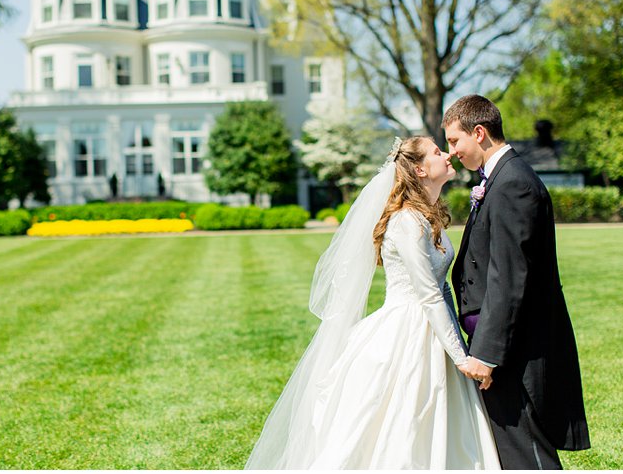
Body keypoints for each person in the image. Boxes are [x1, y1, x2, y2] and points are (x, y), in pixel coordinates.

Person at [245, 136, 501, 469]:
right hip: (408, 329)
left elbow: (442, 291)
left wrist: (457, 343)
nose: (447, 154)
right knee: (401, 420)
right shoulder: (407, 222)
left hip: (435, 326)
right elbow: (426, 293)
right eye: (437, 151)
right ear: (421, 170)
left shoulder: (429, 216)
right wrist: (461, 357)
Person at [443, 95, 590, 469]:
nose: (452, 152)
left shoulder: (513, 183)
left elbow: (508, 277)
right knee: (510, 448)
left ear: (479, 133)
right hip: (503, 342)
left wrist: (488, 355)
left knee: (526, 451)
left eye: (454, 141)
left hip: (514, 348)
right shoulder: (501, 178)